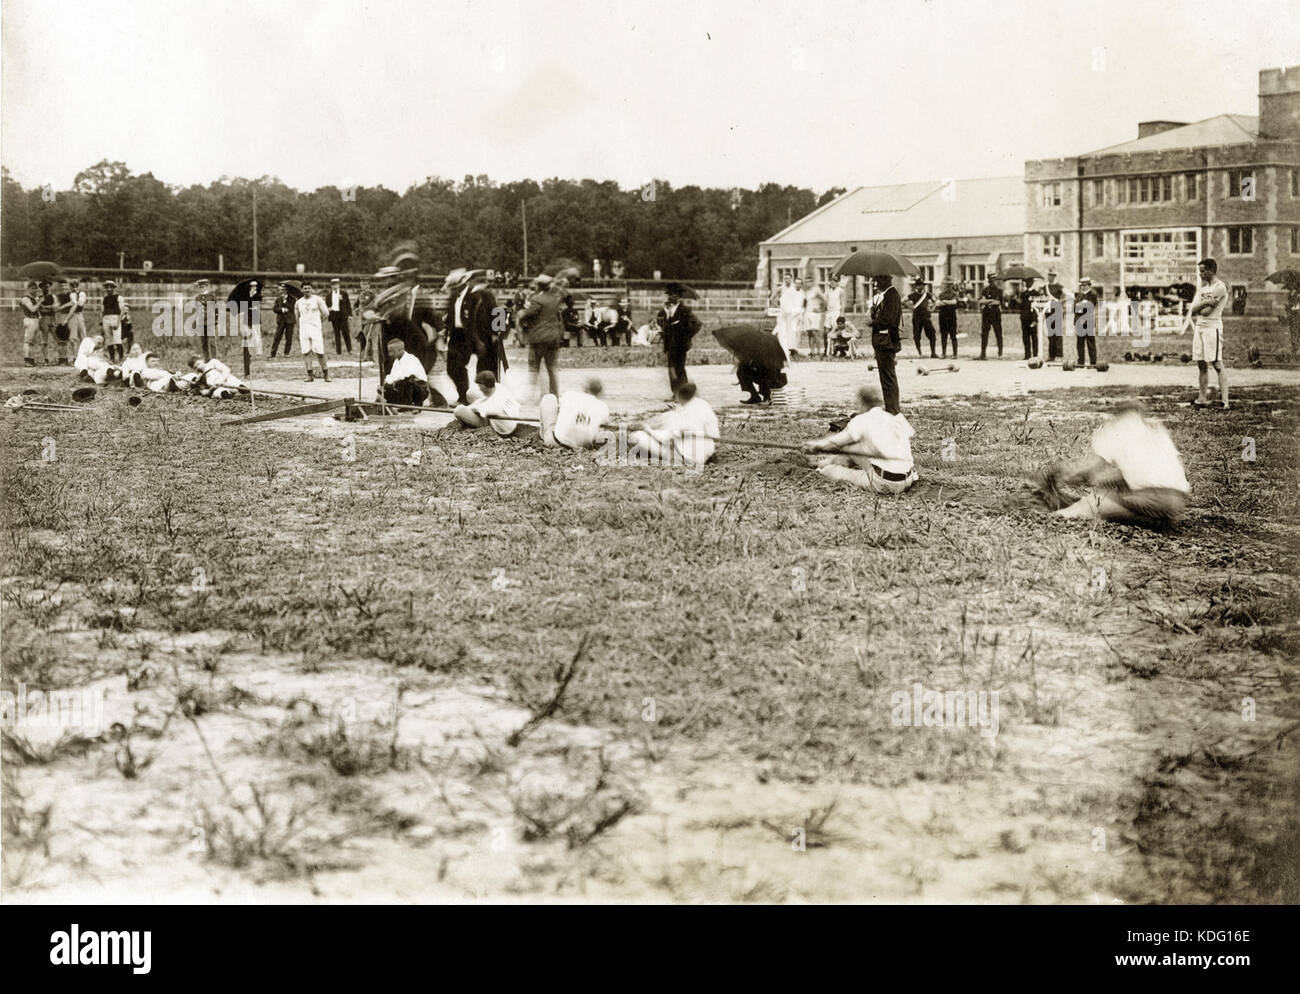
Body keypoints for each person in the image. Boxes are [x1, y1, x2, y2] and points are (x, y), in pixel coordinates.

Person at [1027, 401, 1189, 528]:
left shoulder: (1114, 429)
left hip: (1151, 498)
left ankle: (1053, 517)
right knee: (1115, 498)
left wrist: (1061, 476)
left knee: (1087, 504)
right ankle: (1154, 520)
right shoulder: (1156, 430)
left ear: (1118, 415)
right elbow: (1143, 473)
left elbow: (1089, 469)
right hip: (1176, 501)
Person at [802, 385, 917, 495]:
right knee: (849, 448)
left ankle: (823, 468)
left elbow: (834, 444)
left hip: (884, 482)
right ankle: (822, 463)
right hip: (908, 478)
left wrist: (815, 445)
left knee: (830, 470)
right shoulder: (894, 418)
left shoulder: (862, 419)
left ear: (861, 402)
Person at [444, 267, 505, 406]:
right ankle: (463, 396)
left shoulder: (482, 295)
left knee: (485, 369)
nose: (452, 290)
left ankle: (489, 398)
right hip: (459, 336)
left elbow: (499, 312)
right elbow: (451, 317)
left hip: (482, 335)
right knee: (453, 367)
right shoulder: (454, 297)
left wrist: (497, 334)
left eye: (454, 287)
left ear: (462, 284)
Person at [627, 380, 718, 469]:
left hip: (689, 457)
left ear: (678, 396)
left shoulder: (680, 417)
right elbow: (713, 431)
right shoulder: (702, 404)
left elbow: (663, 438)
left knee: (637, 436)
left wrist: (646, 428)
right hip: (708, 451)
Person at [1187, 257, 1229, 409]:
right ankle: (1202, 398)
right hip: (1200, 328)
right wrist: (1204, 302)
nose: (1200, 274)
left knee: (1217, 363)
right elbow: (1193, 309)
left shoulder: (1220, 287)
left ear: (1211, 271)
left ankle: (1225, 401)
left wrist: (1201, 306)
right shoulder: (1203, 289)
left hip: (1212, 328)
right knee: (1201, 363)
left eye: (1203, 271)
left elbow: (1206, 312)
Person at [516, 273, 564, 401]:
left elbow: (528, 314)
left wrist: (522, 314)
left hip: (539, 338)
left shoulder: (537, 299)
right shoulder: (555, 299)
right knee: (552, 368)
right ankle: (555, 396)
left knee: (533, 368)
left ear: (538, 286)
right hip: (553, 337)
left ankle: (530, 396)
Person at [657, 282, 701, 400]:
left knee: (679, 368)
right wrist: (666, 313)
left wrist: (685, 336)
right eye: (670, 295)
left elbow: (697, 325)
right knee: (671, 369)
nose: (672, 297)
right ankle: (676, 393)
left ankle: (684, 393)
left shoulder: (685, 310)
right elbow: (660, 323)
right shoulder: (664, 310)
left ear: (680, 297)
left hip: (680, 344)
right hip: (669, 343)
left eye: (675, 295)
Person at [540, 377, 610, 450]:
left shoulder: (570, 395)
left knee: (549, 397)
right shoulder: (603, 407)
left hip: (556, 443)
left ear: (585, 388)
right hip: (582, 447)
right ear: (599, 392)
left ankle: (542, 436)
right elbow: (605, 423)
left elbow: (558, 407)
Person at [869, 274, 902, 415]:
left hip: (886, 341)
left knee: (888, 377)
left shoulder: (892, 296)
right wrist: (875, 312)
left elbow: (889, 320)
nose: (876, 284)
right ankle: (890, 407)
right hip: (883, 341)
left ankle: (893, 409)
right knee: (885, 376)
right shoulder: (887, 295)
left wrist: (874, 321)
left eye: (877, 281)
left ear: (885, 280)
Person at [453, 369, 520, 436]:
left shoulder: (491, 405)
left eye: (480, 386)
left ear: (483, 386)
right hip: (502, 416)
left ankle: (475, 426)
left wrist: (469, 408)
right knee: (471, 393)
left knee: (458, 410)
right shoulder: (499, 387)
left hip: (502, 428)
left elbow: (477, 408)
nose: (479, 388)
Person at [382, 338, 435, 406]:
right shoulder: (396, 361)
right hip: (405, 387)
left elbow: (405, 376)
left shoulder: (411, 359)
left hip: (419, 390)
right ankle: (401, 405)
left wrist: (392, 381)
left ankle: (415, 405)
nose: (389, 354)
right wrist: (385, 384)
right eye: (389, 351)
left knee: (407, 381)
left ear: (400, 350)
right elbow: (392, 376)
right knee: (386, 386)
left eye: (392, 351)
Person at [295, 282, 331, 381]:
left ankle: (326, 374)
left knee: (319, 351)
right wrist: (300, 327)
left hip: (315, 328)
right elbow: (297, 317)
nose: (307, 290)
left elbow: (326, 314)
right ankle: (309, 374)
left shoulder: (318, 300)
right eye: (305, 288)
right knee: (306, 352)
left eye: (308, 288)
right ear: (301, 290)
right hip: (303, 329)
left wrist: (318, 323)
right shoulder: (298, 302)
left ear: (312, 289)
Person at [772, 274, 804, 355]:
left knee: (793, 331)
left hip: (793, 313)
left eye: (788, 278)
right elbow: (772, 298)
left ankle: (793, 349)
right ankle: (780, 348)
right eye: (785, 278)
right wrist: (779, 307)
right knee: (781, 330)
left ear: (791, 279)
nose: (787, 280)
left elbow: (799, 300)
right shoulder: (781, 288)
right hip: (784, 313)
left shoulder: (794, 288)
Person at [907, 277, 937, 358]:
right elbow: (902, 300)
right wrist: (910, 307)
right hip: (917, 318)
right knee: (917, 335)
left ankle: (933, 353)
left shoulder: (928, 294)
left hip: (926, 317)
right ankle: (920, 353)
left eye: (920, 285)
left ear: (923, 286)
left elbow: (935, 300)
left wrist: (932, 309)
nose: (919, 287)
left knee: (932, 334)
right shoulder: (912, 295)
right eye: (917, 285)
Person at [240, 279, 263, 378]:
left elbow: (257, 303)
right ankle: (247, 372)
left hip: (255, 320)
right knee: (247, 344)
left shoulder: (258, 296)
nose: (254, 288)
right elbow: (244, 306)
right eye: (252, 286)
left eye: (255, 286)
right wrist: (249, 297)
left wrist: (252, 297)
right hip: (246, 321)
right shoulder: (245, 297)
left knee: (256, 341)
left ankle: (257, 357)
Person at [1074, 276, 1099, 367]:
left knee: (1090, 342)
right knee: (1080, 343)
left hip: (1088, 322)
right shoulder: (1079, 295)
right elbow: (1075, 309)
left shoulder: (1093, 294)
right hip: (1079, 322)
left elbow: (1090, 307)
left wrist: (1081, 305)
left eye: (1085, 285)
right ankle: (1081, 361)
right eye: (1082, 285)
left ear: (1089, 285)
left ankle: (1093, 362)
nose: (1083, 287)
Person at [100, 279, 127, 362]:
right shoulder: (104, 299)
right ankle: (112, 358)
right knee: (108, 340)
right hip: (106, 319)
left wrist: (118, 322)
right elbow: (102, 311)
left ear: (113, 288)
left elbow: (122, 311)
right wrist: (101, 323)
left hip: (115, 318)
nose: (108, 289)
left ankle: (121, 357)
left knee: (117, 339)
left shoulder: (119, 297)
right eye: (107, 287)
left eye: (110, 287)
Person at [979, 273, 1004, 359]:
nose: (992, 281)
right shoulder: (985, 290)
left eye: (994, 279)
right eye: (991, 279)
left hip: (995, 313)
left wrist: (987, 301)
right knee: (984, 334)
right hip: (986, 313)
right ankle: (983, 354)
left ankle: (1000, 353)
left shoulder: (999, 290)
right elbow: (980, 301)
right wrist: (991, 301)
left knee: (998, 333)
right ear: (989, 280)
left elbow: (999, 302)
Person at [193, 277, 218, 361]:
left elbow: (216, 310)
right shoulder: (197, 298)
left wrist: (216, 321)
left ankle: (214, 360)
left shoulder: (211, 297)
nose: (202, 289)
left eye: (203, 287)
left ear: (207, 287)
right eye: (200, 287)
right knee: (203, 343)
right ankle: (207, 360)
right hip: (201, 323)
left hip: (210, 322)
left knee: (211, 342)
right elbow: (197, 311)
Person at [1044, 268, 1066, 361]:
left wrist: (1059, 302)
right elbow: (1044, 298)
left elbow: (1065, 298)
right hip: (1049, 311)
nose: (1050, 277)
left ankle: (1059, 355)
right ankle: (1051, 355)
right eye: (1049, 275)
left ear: (1055, 276)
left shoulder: (1059, 287)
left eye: (1052, 275)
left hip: (1057, 311)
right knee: (1050, 334)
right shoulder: (1045, 287)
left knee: (1057, 334)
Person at [326, 278, 352, 354]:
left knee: (346, 333)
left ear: (339, 285)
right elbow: (327, 306)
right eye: (333, 285)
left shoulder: (344, 294)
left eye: (336, 284)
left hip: (343, 315)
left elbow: (348, 304)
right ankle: (338, 351)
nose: (335, 286)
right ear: (331, 286)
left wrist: (349, 315)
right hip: (334, 315)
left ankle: (349, 349)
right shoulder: (328, 296)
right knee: (337, 334)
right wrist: (328, 310)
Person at [271, 282, 297, 357]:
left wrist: (286, 302)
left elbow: (292, 308)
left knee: (289, 337)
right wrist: (281, 309)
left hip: (290, 321)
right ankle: (273, 353)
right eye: (282, 290)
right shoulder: (278, 299)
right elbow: (274, 309)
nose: (283, 291)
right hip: (281, 320)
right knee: (277, 337)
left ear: (288, 290)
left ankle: (286, 353)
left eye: (285, 290)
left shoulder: (292, 299)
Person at [936, 278, 959, 358]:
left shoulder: (955, 294)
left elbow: (955, 302)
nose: (948, 286)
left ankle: (955, 354)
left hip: (951, 316)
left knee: (953, 335)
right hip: (942, 317)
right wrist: (948, 302)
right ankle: (943, 353)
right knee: (944, 335)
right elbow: (938, 304)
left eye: (950, 285)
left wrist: (944, 302)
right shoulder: (941, 294)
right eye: (947, 285)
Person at [803, 278, 826, 356]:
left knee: (815, 332)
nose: (807, 284)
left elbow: (824, 299)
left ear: (812, 283)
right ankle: (812, 351)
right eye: (806, 282)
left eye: (809, 282)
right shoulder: (806, 292)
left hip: (815, 313)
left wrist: (821, 309)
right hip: (807, 313)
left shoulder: (816, 290)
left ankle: (819, 351)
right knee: (809, 333)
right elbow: (805, 303)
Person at [20, 281, 41, 366]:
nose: (34, 290)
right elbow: (32, 309)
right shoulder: (25, 298)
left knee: (32, 341)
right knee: (28, 341)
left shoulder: (33, 298)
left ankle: (31, 359)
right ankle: (27, 360)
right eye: (32, 288)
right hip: (29, 319)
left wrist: (38, 300)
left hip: (35, 320)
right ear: (28, 289)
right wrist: (40, 302)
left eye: (35, 288)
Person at [1018, 279, 1040, 360]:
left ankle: (1035, 354)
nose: (1027, 283)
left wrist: (1035, 320)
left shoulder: (1036, 293)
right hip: (1024, 319)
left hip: (1032, 319)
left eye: (1029, 282)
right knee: (1025, 337)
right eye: (1026, 282)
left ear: (1032, 282)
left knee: (1034, 337)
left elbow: (1037, 307)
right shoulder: (1023, 294)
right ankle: (1027, 354)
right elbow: (1021, 307)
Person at [37, 280, 57, 364]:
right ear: (41, 288)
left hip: (52, 318)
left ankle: (61, 358)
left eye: (48, 286)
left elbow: (55, 306)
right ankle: (46, 358)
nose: (46, 288)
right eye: (44, 287)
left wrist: (46, 307)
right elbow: (40, 309)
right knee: (44, 340)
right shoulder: (39, 298)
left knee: (58, 338)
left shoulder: (53, 296)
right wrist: (48, 308)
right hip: (44, 318)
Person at [824, 275, 844, 356]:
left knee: (836, 332)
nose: (832, 282)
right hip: (829, 313)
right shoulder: (828, 291)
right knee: (826, 332)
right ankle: (826, 350)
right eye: (831, 281)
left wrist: (841, 314)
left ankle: (837, 350)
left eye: (834, 281)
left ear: (837, 282)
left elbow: (843, 303)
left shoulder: (840, 291)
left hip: (836, 312)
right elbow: (825, 301)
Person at [66, 278, 88, 347]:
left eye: (75, 285)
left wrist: (74, 300)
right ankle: (75, 355)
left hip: (78, 314)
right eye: (72, 285)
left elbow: (80, 304)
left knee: (83, 335)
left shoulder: (81, 293)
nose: (73, 287)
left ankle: (85, 353)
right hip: (71, 316)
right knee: (73, 337)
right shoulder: (69, 294)